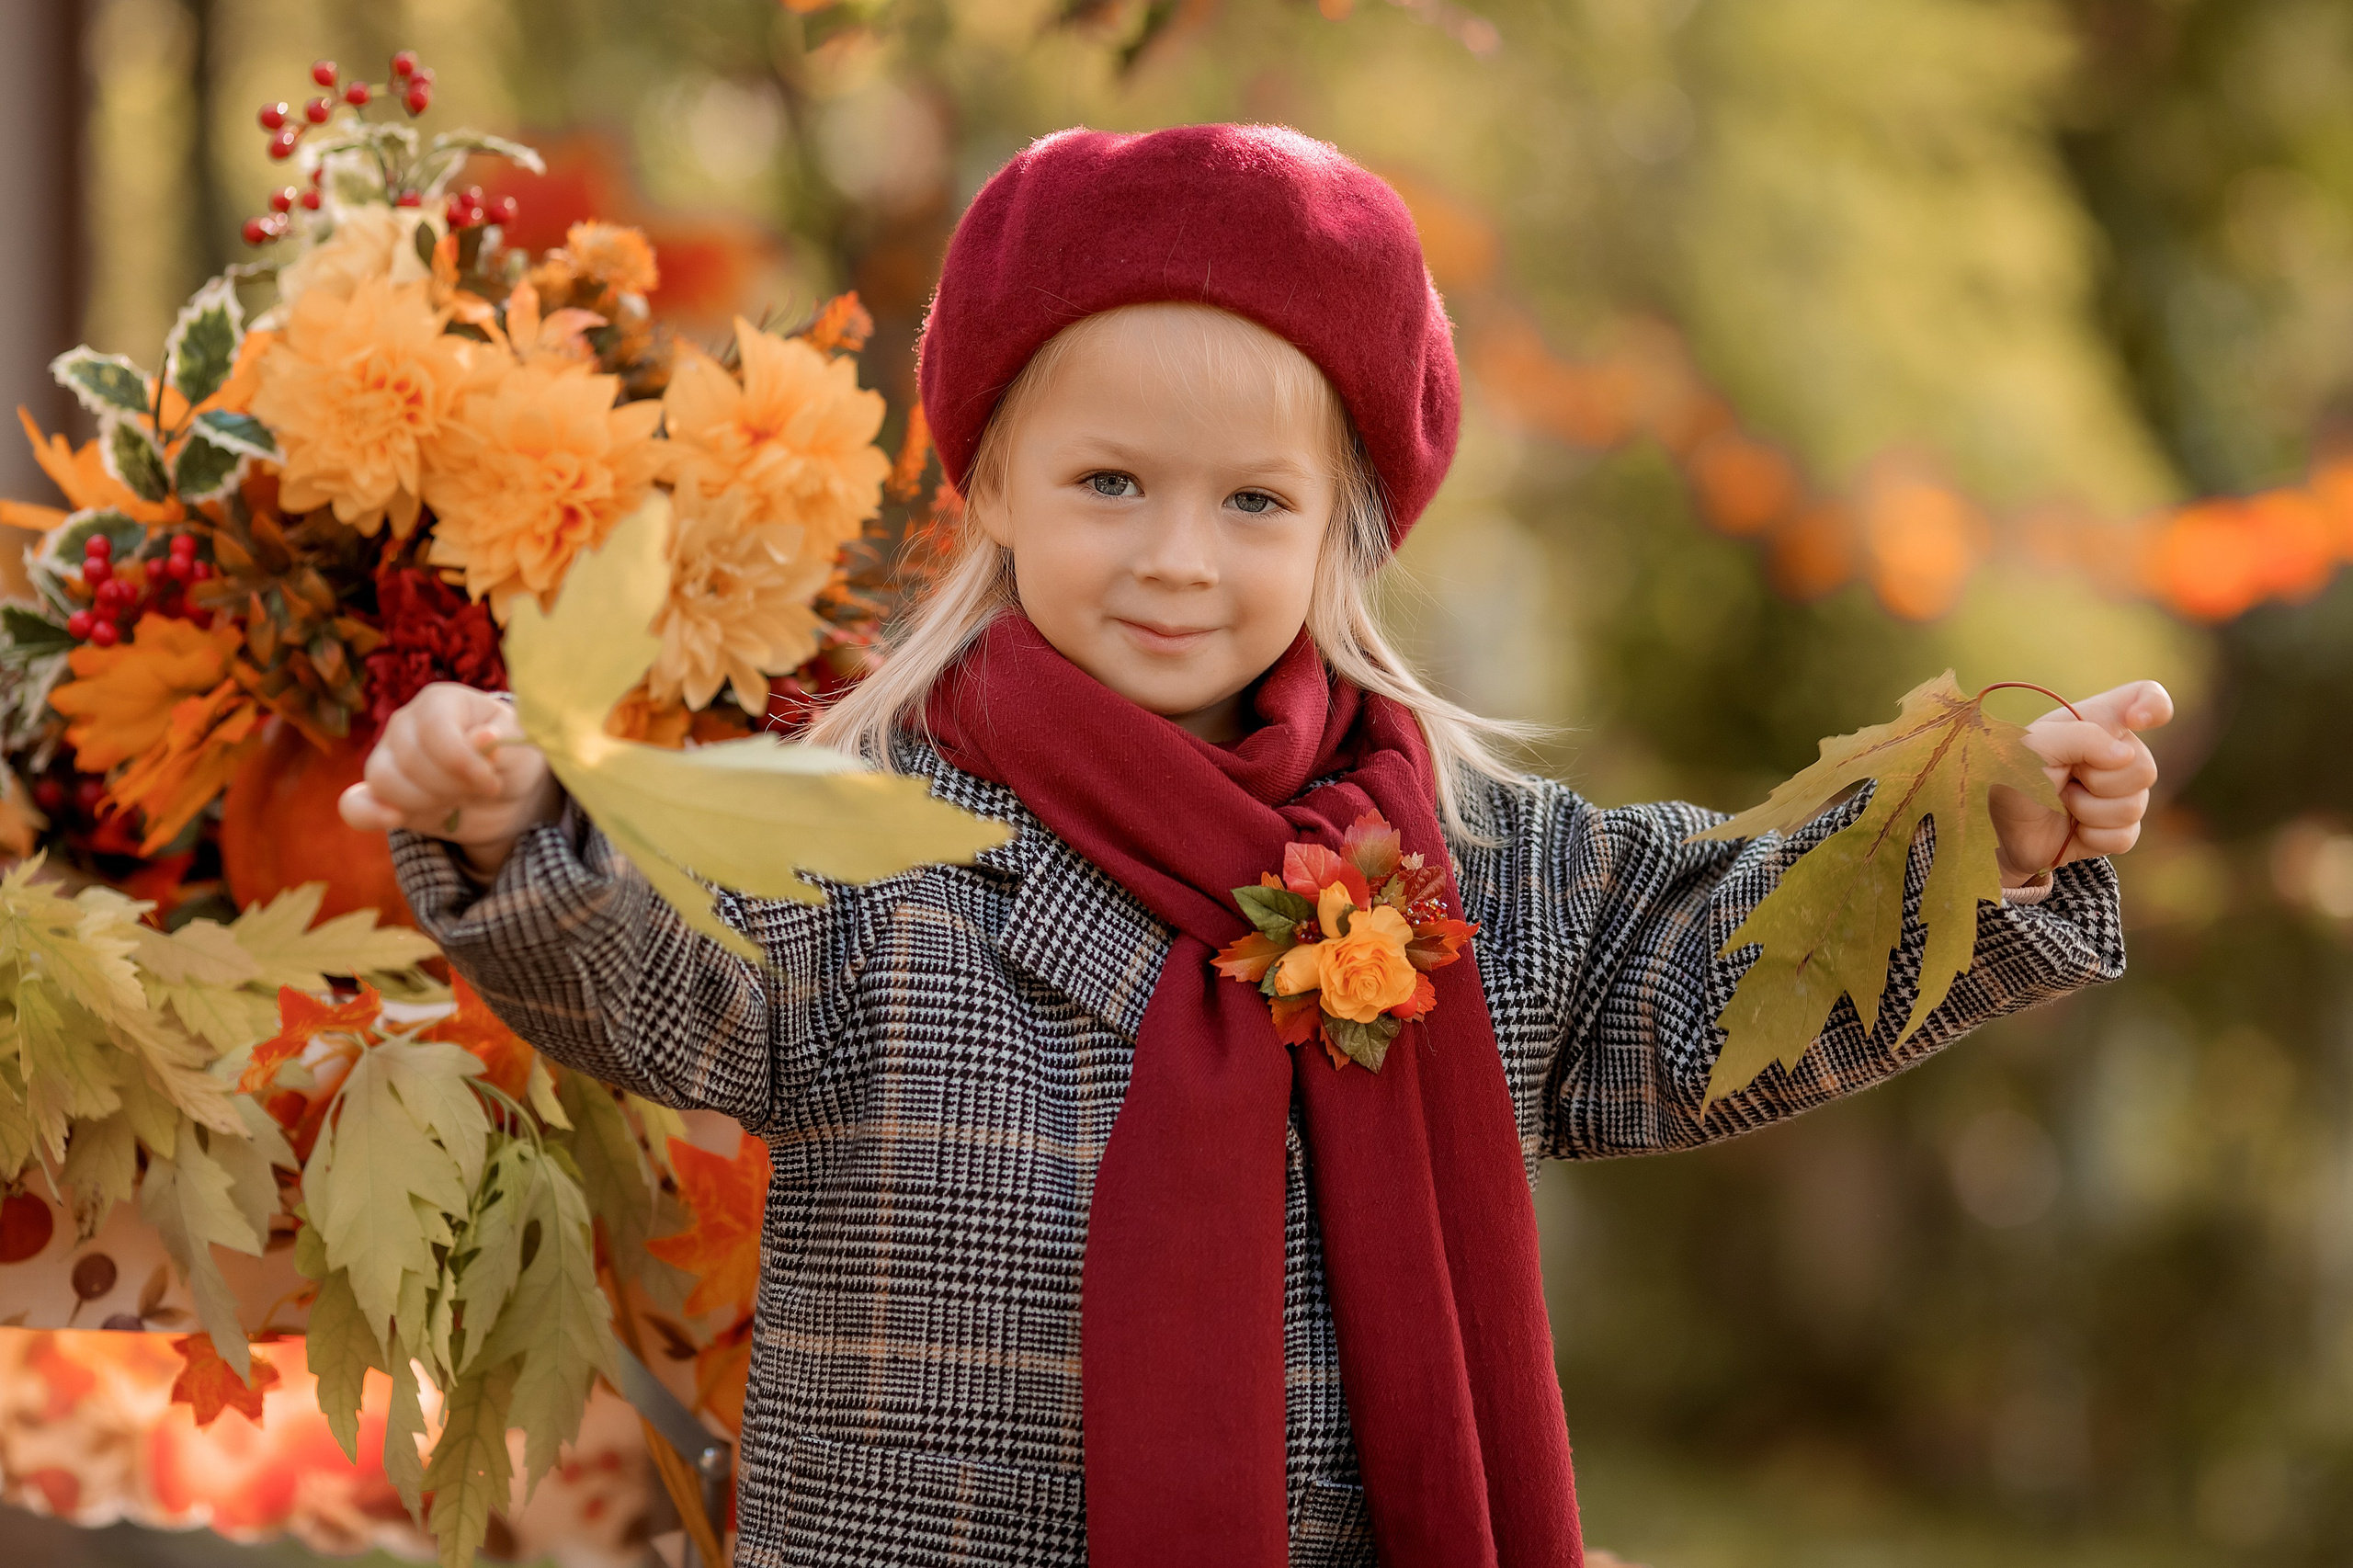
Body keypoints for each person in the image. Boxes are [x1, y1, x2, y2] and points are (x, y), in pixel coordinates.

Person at [341, 124, 2166, 1568]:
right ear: (986, 484)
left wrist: (1979, 851)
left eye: (1252, 503)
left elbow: (1713, 974)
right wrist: (521, 837)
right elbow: (678, 979)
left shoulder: (1461, 863)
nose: (1177, 560)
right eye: (1109, 482)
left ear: (1340, 533)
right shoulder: (866, 831)